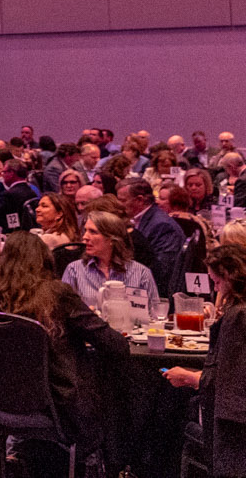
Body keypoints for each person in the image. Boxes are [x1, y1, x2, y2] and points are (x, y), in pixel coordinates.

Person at [0, 231, 131, 478]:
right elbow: (114, 345)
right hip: (55, 409)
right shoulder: (57, 294)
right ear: (44, 259)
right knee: (114, 390)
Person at [168, 241, 246, 478]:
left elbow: (229, 378)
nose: (216, 289)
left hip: (233, 421)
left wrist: (190, 378)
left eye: (216, 282)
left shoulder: (238, 315)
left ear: (230, 277)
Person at [62, 210, 160, 309]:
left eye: (93, 232)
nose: (85, 237)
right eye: (85, 231)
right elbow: (65, 312)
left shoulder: (141, 273)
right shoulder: (74, 270)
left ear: (112, 239)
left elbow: (155, 314)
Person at [123, 177, 187, 296]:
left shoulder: (162, 225)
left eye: (122, 200)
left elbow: (162, 271)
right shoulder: (138, 219)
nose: (119, 205)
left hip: (156, 294)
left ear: (139, 200)